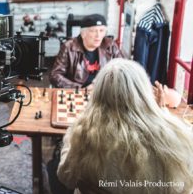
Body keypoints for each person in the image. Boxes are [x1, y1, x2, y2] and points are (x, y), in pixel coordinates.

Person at [57, 58, 193, 193]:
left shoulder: (85, 137)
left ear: (98, 97)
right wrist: (160, 113)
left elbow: (66, 177)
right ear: (145, 95)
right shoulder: (180, 139)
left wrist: (72, 134)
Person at [49, 14, 123, 90]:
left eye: (101, 31)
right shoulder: (69, 47)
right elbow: (55, 75)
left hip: (103, 91)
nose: (98, 35)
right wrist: (81, 88)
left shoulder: (111, 45)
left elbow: (123, 71)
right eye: (93, 31)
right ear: (83, 34)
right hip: (79, 91)